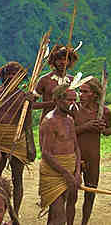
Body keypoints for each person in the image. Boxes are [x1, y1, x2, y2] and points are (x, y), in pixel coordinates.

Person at [0, 62, 36, 217]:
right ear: (3, 75)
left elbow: (27, 124)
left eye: (16, 74)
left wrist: (30, 145)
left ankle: (15, 213)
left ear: (21, 77)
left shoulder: (24, 96)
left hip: (17, 136)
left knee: (17, 177)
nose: (11, 77)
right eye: (9, 73)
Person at [39, 84, 81, 225]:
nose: (73, 104)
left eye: (75, 100)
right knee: (59, 218)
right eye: (69, 100)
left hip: (70, 171)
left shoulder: (70, 120)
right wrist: (66, 174)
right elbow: (46, 153)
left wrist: (77, 173)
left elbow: (76, 148)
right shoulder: (49, 121)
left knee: (56, 216)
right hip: (54, 174)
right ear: (57, 100)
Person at [72, 78, 111, 224]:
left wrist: (104, 129)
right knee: (71, 193)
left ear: (95, 94)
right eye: (80, 91)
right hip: (75, 156)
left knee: (91, 192)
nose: (80, 94)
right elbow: (66, 132)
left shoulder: (104, 111)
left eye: (85, 92)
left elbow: (108, 130)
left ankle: (84, 222)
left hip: (93, 157)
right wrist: (86, 127)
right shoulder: (73, 109)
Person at [34, 44, 79, 121]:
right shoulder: (44, 80)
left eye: (66, 59)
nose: (63, 62)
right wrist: (52, 103)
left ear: (70, 62)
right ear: (53, 61)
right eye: (59, 59)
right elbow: (32, 105)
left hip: (68, 123)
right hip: (48, 121)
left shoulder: (73, 81)